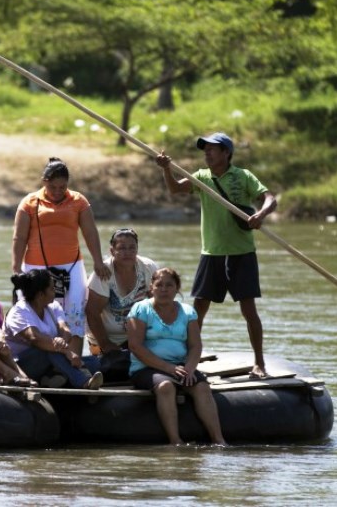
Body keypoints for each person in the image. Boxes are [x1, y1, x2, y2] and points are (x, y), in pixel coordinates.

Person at [155, 132, 278, 380]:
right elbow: (175, 189)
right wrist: (167, 169)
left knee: (248, 309)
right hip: (211, 253)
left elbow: (270, 198)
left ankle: (259, 363)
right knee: (198, 309)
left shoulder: (242, 176)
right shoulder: (201, 177)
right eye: (205, 150)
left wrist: (261, 215)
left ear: (226, 153)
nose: (207, 153)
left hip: (241, 253)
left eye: (213, 149)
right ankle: (190, 360)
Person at [11, 157, 111, 357]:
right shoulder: (29, 202)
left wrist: (98, 261)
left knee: (74, 314)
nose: (58, 191)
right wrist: (16, 268)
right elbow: (19, 237)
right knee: (35, 310)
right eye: (53, 187)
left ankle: (74, 360)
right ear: (44, 181)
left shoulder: (78, 201)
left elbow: (90, 232)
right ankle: (37, 361)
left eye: (62, 187)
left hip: (72, 266)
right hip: (36, 268)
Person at [126, 268, 227, 446]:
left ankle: (218, 440)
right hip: (146, 367)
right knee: (166, 386)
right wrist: (168, 368)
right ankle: (175, 441)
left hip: (180, 366)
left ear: (177, 288)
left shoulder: (187, 312)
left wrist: (189, 368)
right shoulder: (140, 309)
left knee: (202, 387)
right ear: (152, 287)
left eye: (169, 285)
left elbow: (196, 345)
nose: (164, 289)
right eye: (159, 285)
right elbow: (135, 346)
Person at [5, 270, 103, 390]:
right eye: (52, 289)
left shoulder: (53, 306)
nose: (55, 292)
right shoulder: (19, 312)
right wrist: (66, 351)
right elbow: (35, 339)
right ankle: (84, 382)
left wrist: (62, 340)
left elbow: (65, 329)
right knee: (50, 350)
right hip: (23, 365)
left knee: (95, 362)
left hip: (54, 357)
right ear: (40, 294)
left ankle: (53, 377)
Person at [85, 228, 159, 382]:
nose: (128, 252)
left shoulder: (148, 267)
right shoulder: (103, 273)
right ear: (112, 251)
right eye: (122, 248)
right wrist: (106, 344)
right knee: (116, 365)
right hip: (107, 340)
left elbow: (157, 304)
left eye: (132, 248)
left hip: (137, 335)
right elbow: (92, 312)